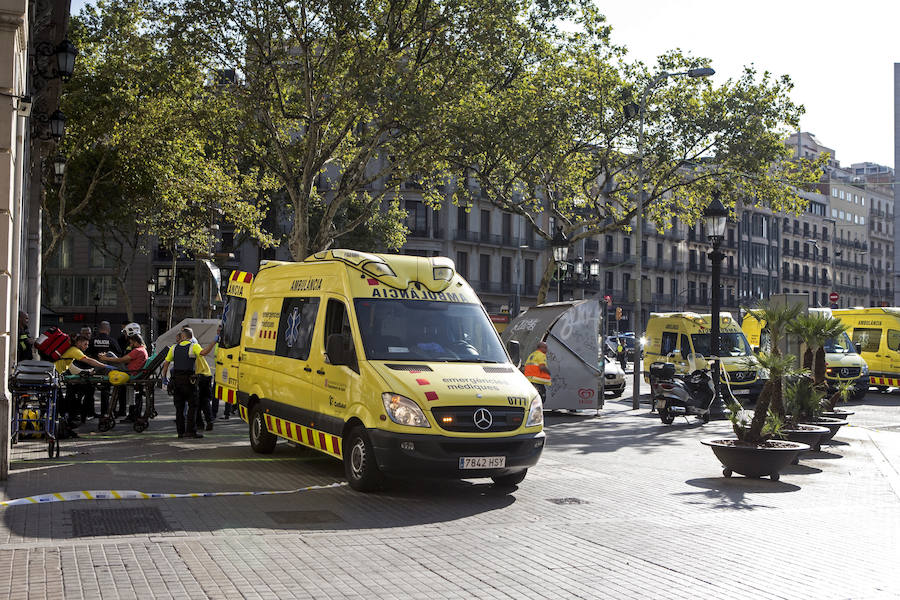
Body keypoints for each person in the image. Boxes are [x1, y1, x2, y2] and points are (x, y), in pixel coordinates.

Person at [54, 334, 113, 426]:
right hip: (56, 375)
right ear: (79, 343)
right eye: (85, 344)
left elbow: (72, 367)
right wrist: (105, 366)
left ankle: (70, 419)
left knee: (65, 398)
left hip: (57, 375)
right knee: (78, 393)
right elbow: (89, 360)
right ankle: (70, 420)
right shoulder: (75, 350)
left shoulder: (70, 350)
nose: (87, 346)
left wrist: (86, 372)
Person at [160, 328, 204, 439]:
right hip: (190, 381)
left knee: (179, 408)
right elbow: (203, 353)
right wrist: (213, 342)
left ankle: (180, 432)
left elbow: (166, 364)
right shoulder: (194, 346)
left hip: (176, 382)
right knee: (192, 407)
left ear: (182, 337)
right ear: (191, 336)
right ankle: (190, 431)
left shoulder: (174, 348)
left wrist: (164, 377)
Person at [87, 321, 122, 418]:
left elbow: (86, 354)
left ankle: (90, 412)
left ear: (99, 329)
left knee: (89, 392)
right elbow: (118, 355)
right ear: (108, 329)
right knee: (106, 391)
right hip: (107, 371)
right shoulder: (112, 341)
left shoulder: (92, 341)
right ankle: (105, 412)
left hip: (93, 370)